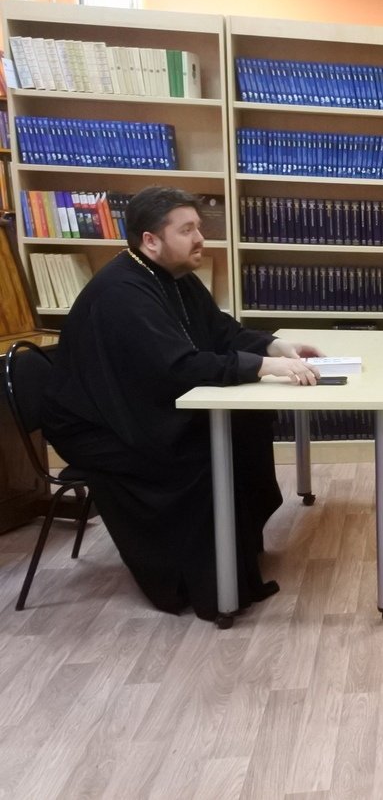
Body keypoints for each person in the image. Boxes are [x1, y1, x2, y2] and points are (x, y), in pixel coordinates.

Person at [42, 186, 323, 620]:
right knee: (204, 452)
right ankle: (203, 584)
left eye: (198, 228)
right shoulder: (123, 292)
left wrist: (274, 346)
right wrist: (265, 368)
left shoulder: (174, 277)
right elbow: (178, 367)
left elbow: (220, 331)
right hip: (99, 427)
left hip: (133, 404)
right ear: (150, 240)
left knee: (245, 425)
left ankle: (237, 557)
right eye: (187, 230)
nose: (200, 239)